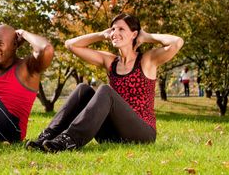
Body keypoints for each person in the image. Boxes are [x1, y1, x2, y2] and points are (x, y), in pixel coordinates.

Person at [26, 13, 184, 152]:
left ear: (134, 34)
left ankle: (68, 140)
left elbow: (177, 42)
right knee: (83, 89)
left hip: (142, 133)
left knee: (105, 91)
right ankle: (46, 137)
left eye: (121, 29)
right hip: (112, 134)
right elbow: (70, 44)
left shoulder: (146, 60)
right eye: (113, 29)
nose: (115, 33)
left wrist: (146, 36)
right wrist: (102, 35)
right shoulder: (111, 61)